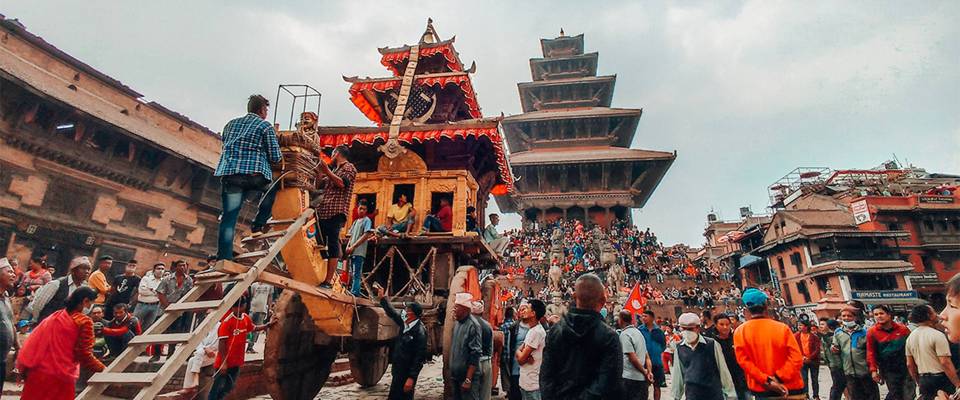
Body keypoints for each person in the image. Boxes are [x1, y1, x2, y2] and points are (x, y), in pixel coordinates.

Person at [214, 94, 282, 260]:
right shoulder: (265, 127)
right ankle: (258, 224)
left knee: (229, 217)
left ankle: (223, 257)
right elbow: (276, 157)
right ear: (262, 110)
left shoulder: (230, 125)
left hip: (230, 176)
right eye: (266, 109)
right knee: (273, 187)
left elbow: (225, 145)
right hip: (254, 176)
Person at [540, 273, 622, 399]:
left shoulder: (555, 331)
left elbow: (546, 377)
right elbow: (608, 383)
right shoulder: (609, 337)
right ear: (603, 301)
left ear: (574, 296)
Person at [16, 287, 105, 399]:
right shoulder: (84, 321)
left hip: (37, 373)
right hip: (60, 378)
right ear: (85, 301)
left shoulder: (55, 317)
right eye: (91, 303)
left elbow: (33, 343)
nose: (91, 307)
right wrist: (104, 370)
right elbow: (84, 354)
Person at [733, 288, 805, 399]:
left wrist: (767, 381)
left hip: (762, 390)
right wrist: (778, 378)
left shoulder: (740, 332)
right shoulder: (782, 328)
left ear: (746, 310)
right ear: (766, 306)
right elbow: (796, 359)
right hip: (791, 389)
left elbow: (744, 362)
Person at [208, 296, 276, 400]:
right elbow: (222, 343)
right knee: (216, 388)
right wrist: (223, 363)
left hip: (237, 362)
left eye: (239, 307)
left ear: (243, 306)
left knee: (228, 387)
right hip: (225, 363)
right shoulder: (227, 322)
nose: (237, 309)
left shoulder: (245, 318)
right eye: (235, 308)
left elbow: (253, 328)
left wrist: (267, 325)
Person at [315, 145, 357, 288]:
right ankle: (318, 273)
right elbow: (319, 186)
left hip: (336, 211)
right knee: (318, 242)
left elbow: (341, 184)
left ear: (337, 153)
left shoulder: (349, 168)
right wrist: (320, 173)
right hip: (323, 210)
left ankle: (328, 281)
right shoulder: (334, 170)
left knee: (332, 245)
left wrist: (326, 170)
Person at [375, 286, 427, 400]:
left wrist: (411, 378)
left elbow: (419, 358)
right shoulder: (405, 324)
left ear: (412, 314)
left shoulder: (420, 332)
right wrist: (383, 298)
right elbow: (392, 313)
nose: (403, 312)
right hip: (398, 371)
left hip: (407, 374)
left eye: (406, 310)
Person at [670, 312, 737, 400]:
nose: (687, 332)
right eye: (684, 329)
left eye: (690, 329)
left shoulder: (712, 344)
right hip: (692, 394)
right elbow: (678, 375)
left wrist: (730, 395)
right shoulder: (679, 347)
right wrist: (676, 396)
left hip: (713, 394)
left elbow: (723, 371)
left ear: (698, 328)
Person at [906, 304, 960, 400]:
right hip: (941, 379)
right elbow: (945, 362)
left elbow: (910, 364)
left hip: (924, 379)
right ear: (929, 316)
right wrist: (958, 384)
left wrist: (919, 381)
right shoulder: (937, 335)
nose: (938, 315)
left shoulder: (911, 337)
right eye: (934, 312)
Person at [25, 255, 92, 324]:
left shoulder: (85, 289)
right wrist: (39, 320)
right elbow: (39, 304)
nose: (87, 272)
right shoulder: (56, 284)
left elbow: (85, 310)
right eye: (83, 268)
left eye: (88, 269)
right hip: (48, 324)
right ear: (74, 270)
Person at [866, 304, 913, 400]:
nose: (879, 316)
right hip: (888, 370)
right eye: (876, 314)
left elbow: (912, 348)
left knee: (909, 394)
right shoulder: (872, 332)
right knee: (895, 394)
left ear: (889, 315)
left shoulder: (903, 329)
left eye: (881, 313)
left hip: (906, 367)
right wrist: (874, 370)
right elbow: (871, 352)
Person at [834, 307, 880, 400]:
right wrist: (834, 349)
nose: (846, 318)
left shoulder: (864, 332)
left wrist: (874, 369)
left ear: (855, 317)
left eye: (849, 316)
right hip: (849, 372)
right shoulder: (838, 332)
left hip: (865, 371)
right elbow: (836, 348)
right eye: (844, 316)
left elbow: (871, 351)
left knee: (872, 396)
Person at [154, 260, 194, 362]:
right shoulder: (167, 279)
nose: (182, 267)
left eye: (184, 265)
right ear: (176, 267)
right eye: (180, 265)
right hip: (164, 309)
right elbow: (160, 293)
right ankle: (156, 354)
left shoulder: (188, 280)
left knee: (174, 332)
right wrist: (168, 306)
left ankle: (170, 354)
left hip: (178, 310)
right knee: (159, 332)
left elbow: (189, 295)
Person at [450, 292, 483, 400]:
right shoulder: (457, 324)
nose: (454, 309)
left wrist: (468, 379)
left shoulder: (473, 325)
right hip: (456, 377)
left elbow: (475, 353)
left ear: (465, 309)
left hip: (467, 379)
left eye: (456, 307)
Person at [710, 313, 749, 400]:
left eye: (727, 324)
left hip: (740, 380)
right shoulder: (712, 342)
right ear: (716, 325)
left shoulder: (736, 338)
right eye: (721, 324)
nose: (725, 327)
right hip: (722, 381)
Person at [617, 310, 653, 400]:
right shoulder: (639, 333)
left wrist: (645, 372)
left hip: (629, 378)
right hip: (641, 380)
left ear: (621, 320)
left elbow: (632, 358)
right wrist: (649, 372)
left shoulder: (624, 335)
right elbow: (647, 357)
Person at [515, 299, 547, 400]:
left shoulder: (536, 332)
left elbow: (520, 360)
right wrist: (520, 352)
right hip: (527, 382)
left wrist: (519, 352)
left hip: (532, 385)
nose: (523, 310)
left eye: (527, 308)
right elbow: (520, 350)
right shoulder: (532, 330)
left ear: (533, 313)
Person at [344, 200, 374, 296]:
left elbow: (366, 235)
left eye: (364, 209)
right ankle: (352, 291)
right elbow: (350, 235)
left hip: (359, 251)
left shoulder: (367, 220)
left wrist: (353, 246)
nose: (361, 211)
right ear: (357, 209)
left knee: (357, 273)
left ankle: (355, 293)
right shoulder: (356, 222)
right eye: (360, 208)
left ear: (366, 211)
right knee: (351, 273)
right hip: (352, 251)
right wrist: (348, 246)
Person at [184, 322, 220, 400]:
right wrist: (204, 348)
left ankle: (192, 382)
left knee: (196, 356)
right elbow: (198, 342)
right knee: (191, 360)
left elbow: (219, 343)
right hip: (202, 354)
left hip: (214, 354)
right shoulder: (203, 326)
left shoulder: (220, 327)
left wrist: (208, 350)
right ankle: (189, 386)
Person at [639, 309, 667, 400]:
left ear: (652, 318)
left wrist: (657, 352)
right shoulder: (640, 330)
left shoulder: (659, 331)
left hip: (657, 362)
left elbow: (663, 345)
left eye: (645, 316)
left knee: (657, 386)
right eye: (642, 316)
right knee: (643, 387)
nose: (643, 318)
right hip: (643, 363)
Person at [0, 258, 18, 391]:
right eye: (9, 272)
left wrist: (18, 346)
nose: (13, 275)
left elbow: (11, 322)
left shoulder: (6, 297)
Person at [133, 262, 165, 337]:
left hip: (155, 306)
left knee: (147, 327)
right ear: (154, 270)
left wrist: (152, 290)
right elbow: (142, 291)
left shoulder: (164, 281)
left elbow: (163, 294)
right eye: (158, 269)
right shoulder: (146, 279)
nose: (160, 271)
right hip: (142, 305)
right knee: (135, 324)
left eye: (162, 269)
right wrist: (157, 292)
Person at [472, 300, 494, 400]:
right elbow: (491, 346)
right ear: (482, 312)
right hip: (487, 361)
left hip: (474, 363)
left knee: (473, 393)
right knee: (485, 394)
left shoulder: (470, 325)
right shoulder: (488, 326)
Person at [821, 318, 847, 400]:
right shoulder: (836, 337)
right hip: (839, 364)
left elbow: (824, 354)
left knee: (837, 385)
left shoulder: (824, 338)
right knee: (839, 385)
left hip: (832, 364)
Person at [795, 320, 822, 400]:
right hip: (802, 361)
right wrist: (802, 357)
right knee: (804, 379)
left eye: (801, 325)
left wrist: (809, 357)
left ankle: (816, 395)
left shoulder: (814, 336)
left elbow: (817, 349)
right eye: (798, 325)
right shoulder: (796, 336)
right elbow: (794, 348)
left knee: (814, 379)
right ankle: (806, 395)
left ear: (806, 327)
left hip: (813, 361)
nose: (799, 327)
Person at [246, 281, 273, 353]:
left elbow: (270, 297)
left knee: (257, 329)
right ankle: (244, 344)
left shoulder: (269, 285)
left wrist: (269, 308)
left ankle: (250, 347)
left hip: (262, 309)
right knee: (247, 327)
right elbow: (251, 296)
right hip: (253, 308)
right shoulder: (254, 285)